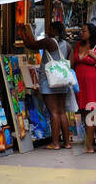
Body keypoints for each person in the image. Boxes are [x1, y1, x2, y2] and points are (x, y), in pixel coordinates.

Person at [21, 21, 73, 150]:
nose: (47, 31)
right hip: (62, 80)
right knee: (61, 112)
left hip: (50, 82)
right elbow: (70, 63)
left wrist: (23, 32)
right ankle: (66, 143)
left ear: (55, 30)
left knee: (53, 112)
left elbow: (30, 45)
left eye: (50, 28)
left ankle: (55, 143)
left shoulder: (49, 42)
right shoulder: (68, 45)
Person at [72, 22, 96, 152]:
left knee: (92, 113)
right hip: (80, 84)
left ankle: (91, 146)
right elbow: (72, 63)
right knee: (86, 113)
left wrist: (93, 55)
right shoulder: (78, 45)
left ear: (91, 33)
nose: (81, 33)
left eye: (84, 31)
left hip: (93, 84)